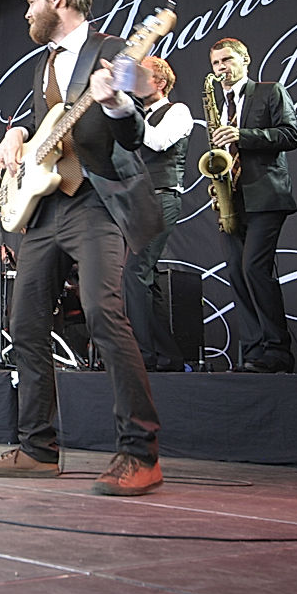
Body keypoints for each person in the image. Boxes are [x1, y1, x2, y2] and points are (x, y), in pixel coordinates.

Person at [0, 0, 165, 496]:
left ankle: (140, 452)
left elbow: (135, 132)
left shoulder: (115, 51)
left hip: (96, 203)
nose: (27, 13)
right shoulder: (45, 65)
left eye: (30, 2)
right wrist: (18, 132)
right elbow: (54, 125)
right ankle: (37, 448)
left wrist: (115, 101)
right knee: (26, 324)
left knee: (104, 312)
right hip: (46, 208)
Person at [207, 37, 297, 373]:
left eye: (228, 60)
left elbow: (291, 135)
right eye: (216, 63)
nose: (222, 68)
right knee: (235, 271)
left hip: (266, 196)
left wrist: (241, 136)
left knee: (254, 269)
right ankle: (253, 353)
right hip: (233, 198)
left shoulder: (269, 91)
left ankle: (278, 352)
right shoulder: (220, 104)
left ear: (245, 60)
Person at [123, 56, 194, 371]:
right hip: (136, 201)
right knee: (145, 280)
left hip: (162, 196)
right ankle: (168, 356)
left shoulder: (178, 112)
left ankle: (144, 355)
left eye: (142, 77)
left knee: (135, 273)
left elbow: (158, 141)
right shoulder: (137, 114)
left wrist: (131, 112)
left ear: (160, 82)